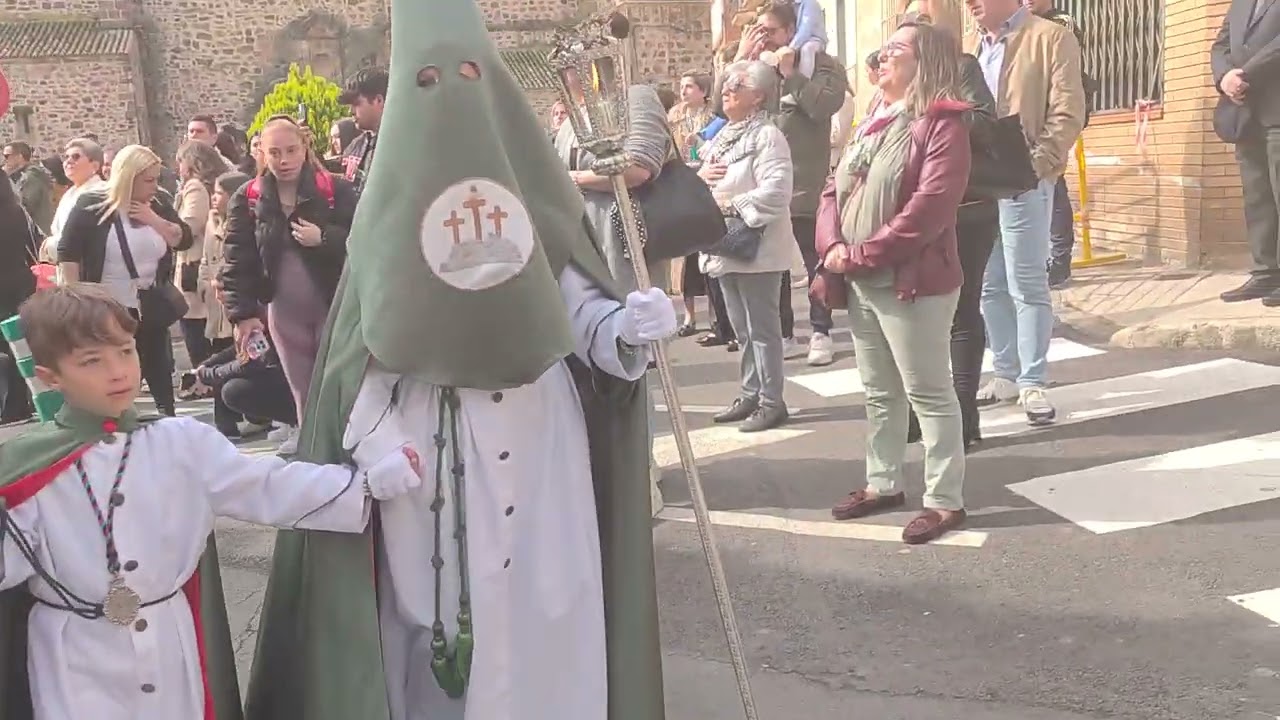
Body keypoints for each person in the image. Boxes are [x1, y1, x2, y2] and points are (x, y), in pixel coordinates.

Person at [241, 2, 673, 718]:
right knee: (432, 618)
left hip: (541, 442)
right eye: (431, 80)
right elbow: (362, 368)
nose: (453, 95)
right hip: (432, 452)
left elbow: (575, 312)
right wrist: (376, 445)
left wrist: (627, 325)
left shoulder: (536, 199)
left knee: (549, 605)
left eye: (472, 74)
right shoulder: (383, 219)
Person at [0, 283, 423, 720]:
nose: (117, 371)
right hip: (72, 656)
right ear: (51, 376)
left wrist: (365, 486)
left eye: (125, 351)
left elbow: (266, 486)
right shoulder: (25, 470)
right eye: (92, 360)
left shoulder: (181, 443)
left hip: (169, 644)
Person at [822, 22, 972, 544]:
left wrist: (862, 253)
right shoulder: (871, 121)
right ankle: (883, 482)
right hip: (861, 277)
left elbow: (929, 208)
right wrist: (831, 247)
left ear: (923, 62)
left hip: (911, 280)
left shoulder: (941, 124)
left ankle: (944, 499)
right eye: (880, 51)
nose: (880, 59)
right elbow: (830, 191)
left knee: (927, 392)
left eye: (894, 51)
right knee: (880, 392)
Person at [965, 0, 1084, 425]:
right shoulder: (972, 47)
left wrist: (1037, 165)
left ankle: (1034, 380)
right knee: (988, 283)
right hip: (980, 181)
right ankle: (1006, 374)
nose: (969, 3)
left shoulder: (1050, 36)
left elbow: (1069, 110)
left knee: (1026, 280)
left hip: (1026, 177)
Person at [221, 116, 358, 454]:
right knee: (302, 390)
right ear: (261, 154)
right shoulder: (248, 197)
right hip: (283, 311)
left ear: (305, 148)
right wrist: (242, 315)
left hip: (333, 304)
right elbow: (237, 259)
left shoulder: (334, 189)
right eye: (274, 152)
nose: (283, 161)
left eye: (291, 150)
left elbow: (365, 240)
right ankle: (316, 455)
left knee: (340, 384)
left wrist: (324, 238)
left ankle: (350, 449)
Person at [901, 0, 1000, 449]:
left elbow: (983, 122)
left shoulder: (962, 68)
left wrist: (938, 107)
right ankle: (922, 410)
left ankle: (964, 413)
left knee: (963, 307)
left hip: (967, 209)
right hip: (915, 211)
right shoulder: (897, 85)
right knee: (917, 312)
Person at [733, 2, 848, 366]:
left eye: (770, 31)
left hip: (803, 183)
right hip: (761, 185)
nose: (763, 37)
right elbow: (724, 110)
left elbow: (823, 106)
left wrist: (791, 74)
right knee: (771, 265)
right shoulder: (754, 70)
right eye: (759, 30)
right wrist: (741, 59)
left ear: (789, 31)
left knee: (814, 260)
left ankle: (820, 330)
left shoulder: (823, 65)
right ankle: (782, 334)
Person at [58, 145, 193, 418]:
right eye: (149, 180)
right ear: (128, 177)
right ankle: (117, 419)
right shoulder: (91, 206)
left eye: (156, 179)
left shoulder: (157, 204)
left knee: (158, 362)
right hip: (108, 302)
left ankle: (166, 417)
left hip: (149, 299)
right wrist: (74, 298)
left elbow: (184, 239)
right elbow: (67, 252)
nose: (154, 186)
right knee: (117, 366)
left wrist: (153, 220)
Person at [700, 60, 797, 433]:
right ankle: (751, 392)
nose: (727, 90)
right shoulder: (722, 135)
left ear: (758, 95)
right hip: (724, 246)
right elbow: (704, 177)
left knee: (763, 329)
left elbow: (776, 191)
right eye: (725, 85)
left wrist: (730, 205)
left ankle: (773, 401)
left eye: (736, 85)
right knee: (742, 329)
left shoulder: (769, 136)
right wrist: (701, 175)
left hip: (758, 247)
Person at [1212, 0, 1280, 304]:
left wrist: (1243, 75)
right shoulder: (1241, 4)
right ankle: (1265, 273)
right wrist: (1224, 77)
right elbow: (1221, 44)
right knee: (1257, 196)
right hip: (1246, 113)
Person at [173, 141, 226, 376]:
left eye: (181, 161)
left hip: (193, 267)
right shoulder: (211, 185)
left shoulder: (194, 187)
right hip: (205, 266)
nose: (178, 167)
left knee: (196, 332)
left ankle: (203, 380)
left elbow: (188, 227)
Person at [0, 175, 38, 423]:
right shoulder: (17, 212)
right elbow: (33, 246)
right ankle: (18, 403)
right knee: (17, 346)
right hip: (19, 282)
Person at [338, 66, 389, 191]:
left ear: (379, 100)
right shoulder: (355, 146)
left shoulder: (404, 146)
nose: (351, 111)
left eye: (356, 104)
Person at [3, 141, 54, 235]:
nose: (5, 160)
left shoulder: (31, 177)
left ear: (20, 157)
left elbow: (24, 207)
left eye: (7, 156)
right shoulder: (23, 175)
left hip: (37, 234)